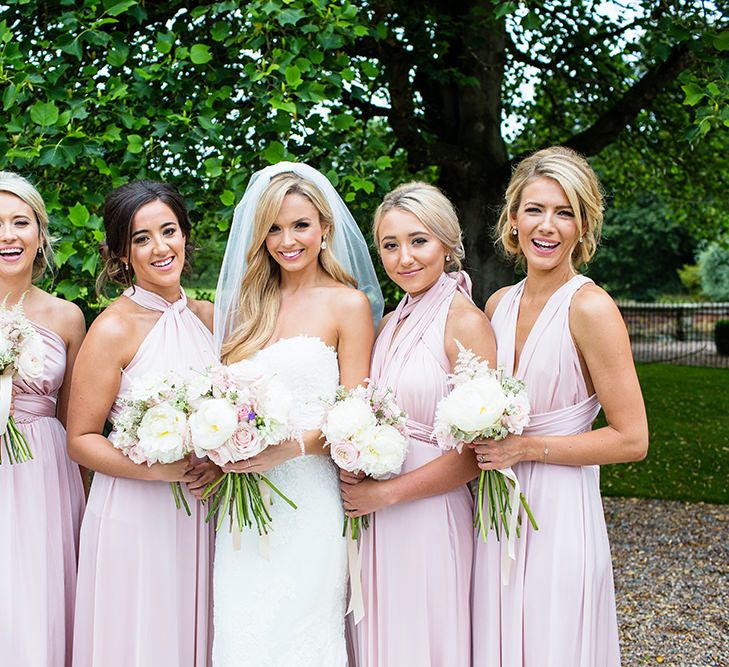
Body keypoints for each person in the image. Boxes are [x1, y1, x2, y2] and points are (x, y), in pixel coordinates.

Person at [471, 146, 649, 666]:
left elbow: (632, 439)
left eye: (564, 211)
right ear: (513, 219)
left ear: (582, 225)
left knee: (552, 641)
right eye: (535, 209)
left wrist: (525, 447)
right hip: (495, 506)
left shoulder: (590, 307)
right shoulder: (497, 304)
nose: (547, 226)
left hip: (560, 508)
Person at [211, 161, 382, 666]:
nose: (288, 239)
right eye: (275, 228)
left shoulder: (348, 305)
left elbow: (356, 420)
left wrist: (288, 448)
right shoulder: (248, 306)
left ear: (324, 229)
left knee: (301, 631)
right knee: (244, 632)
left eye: (301, 225)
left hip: (311, 500)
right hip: (245, 504)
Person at [341, 182, 496, 666]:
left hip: (428, 512)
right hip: (377, 515)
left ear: (448, 245)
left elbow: (480, 454)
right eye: (390, 245)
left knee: (423, 639)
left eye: (419, 241)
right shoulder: (388, 323)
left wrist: (383, 494)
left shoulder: (464, 322)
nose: (404, 257)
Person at [68, 180, 219, 666]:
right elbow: (82, 440)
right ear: (120, 254)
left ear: (185, 236)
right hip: (137, 511)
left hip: (206, 508)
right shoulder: (112, 328)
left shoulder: (213, 318)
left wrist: (220, 460)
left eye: (169, 231)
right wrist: (161, 471)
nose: (160, 248)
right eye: (141, 238)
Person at [0, 172, 86, 667]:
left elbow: (78, 419)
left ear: (40, 235)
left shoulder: (67, 317)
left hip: (43, 471)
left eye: (20, 222)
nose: (8, 235)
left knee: (39, 594)